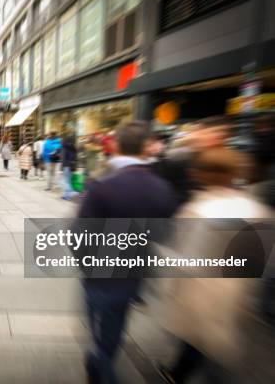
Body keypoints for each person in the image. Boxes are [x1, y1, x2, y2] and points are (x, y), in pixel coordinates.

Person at [158, 148, 272, 384]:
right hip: (237, 289)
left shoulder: (201, 209)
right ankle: (179, 371)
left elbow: (189, 258)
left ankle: (178, 374)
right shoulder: (255, 208)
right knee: (216, 341)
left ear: (202, 174)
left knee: (201, 338)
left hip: (203, 289)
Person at [78, 121, 178, 384]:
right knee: (113, 328)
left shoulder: (101, 184)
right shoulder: (162, 188)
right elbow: (165, 234)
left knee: (97, 328)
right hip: (133, 275)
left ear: (117, 145)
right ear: (147, 148)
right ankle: (99, 362)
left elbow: (81, 234)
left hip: (99, 273)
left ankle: (100, 367)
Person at [61, 133, 78, 200]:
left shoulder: (65, 147)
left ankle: (68, 196)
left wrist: (62, 166)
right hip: (72, 166)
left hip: (66, 165)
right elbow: (75, 158)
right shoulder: (74, 147)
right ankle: (65, 195)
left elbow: (63, 157)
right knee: (69, 181)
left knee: (66, 181)